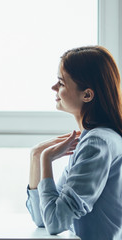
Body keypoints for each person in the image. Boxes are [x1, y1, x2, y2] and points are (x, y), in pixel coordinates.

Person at [26, 46, 122, 240]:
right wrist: (36, 156)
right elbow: (43, 217)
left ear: (87, 95)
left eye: (61, 83)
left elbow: (54, 223)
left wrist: (47, 159)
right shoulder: (91, 139)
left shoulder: (97, 144)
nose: (54, 88)